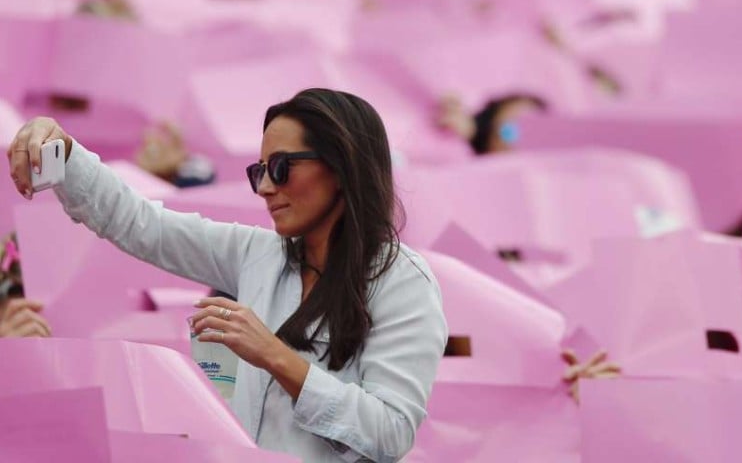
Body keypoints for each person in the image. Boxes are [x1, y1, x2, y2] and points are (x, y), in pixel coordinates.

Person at [7, 88, 447, 462]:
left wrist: (275, 356)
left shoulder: (403, 282)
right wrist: (64, 155)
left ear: (340, 166)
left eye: (281, 168)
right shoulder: (258, 254)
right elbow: (145, 226)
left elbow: (390, 432)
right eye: (259, 172)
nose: (266, 188)